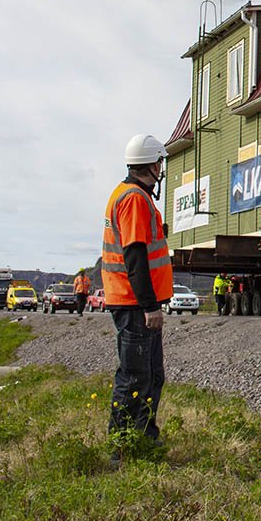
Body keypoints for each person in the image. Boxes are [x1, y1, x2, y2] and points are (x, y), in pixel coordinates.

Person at [101, 134, 173, 453]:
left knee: (151, 375)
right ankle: (122, 445)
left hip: (135, 302)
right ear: (153, 165)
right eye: (160, 162)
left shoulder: (133, 195)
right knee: (134, 377)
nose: (161, 168)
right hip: (134, 304)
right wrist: (149, 306)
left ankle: (144, 437)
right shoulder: (134, 199)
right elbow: (135, 256)